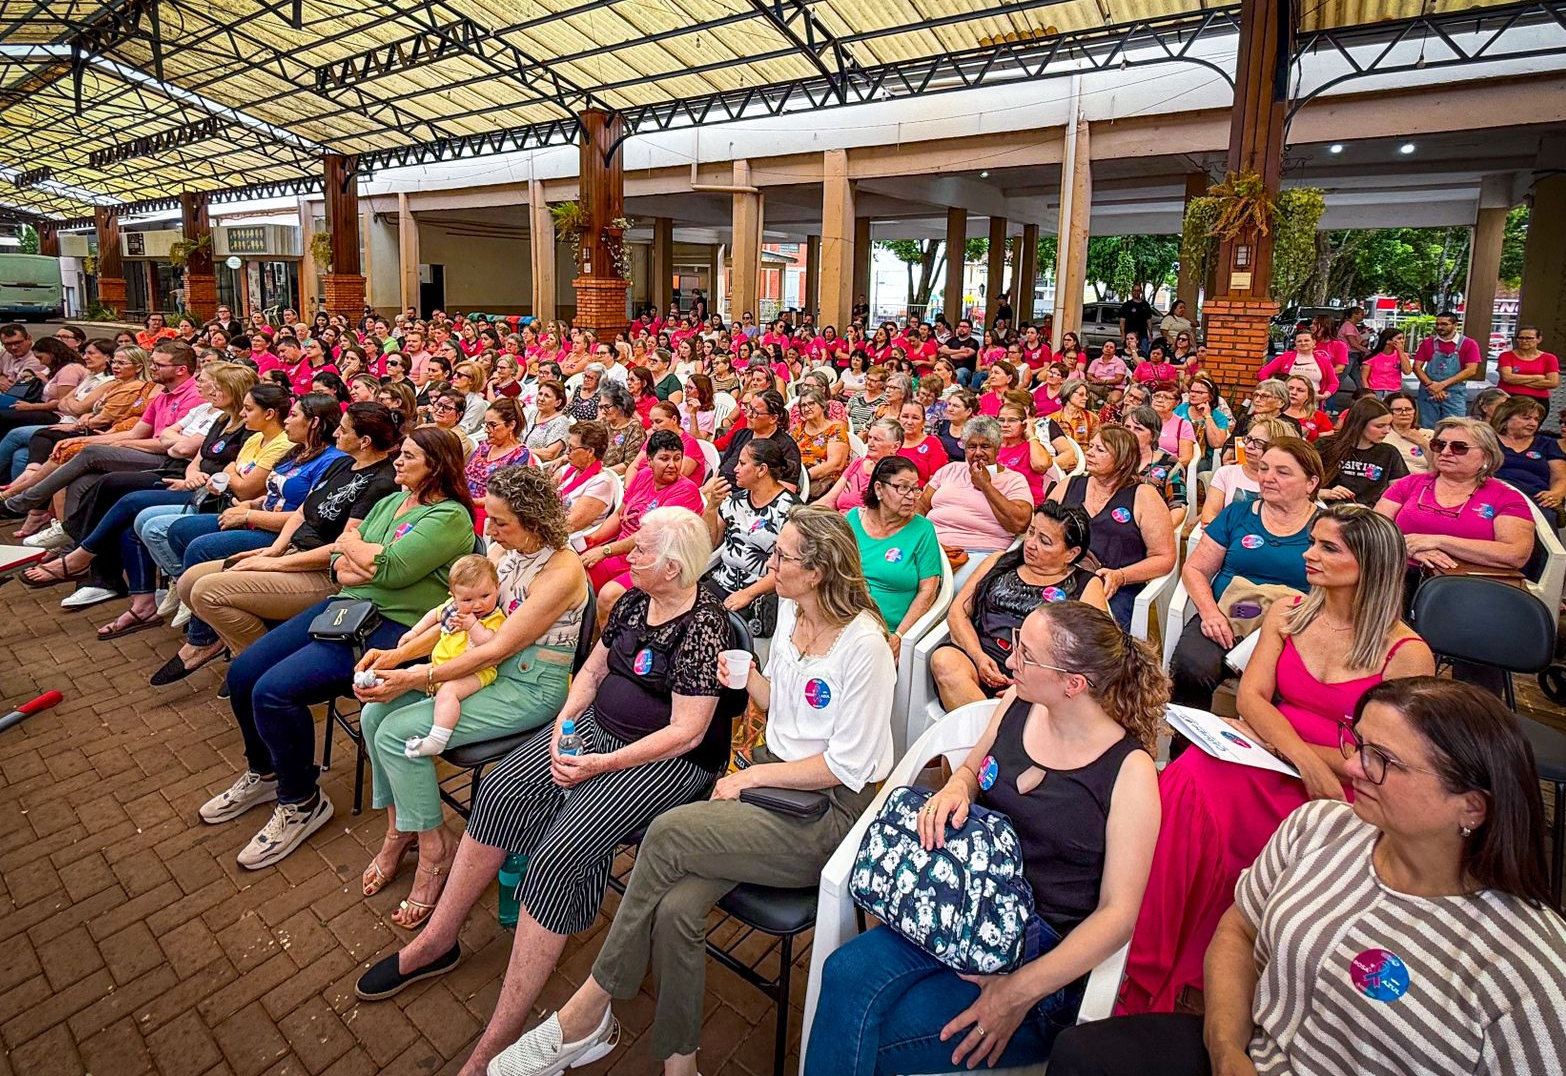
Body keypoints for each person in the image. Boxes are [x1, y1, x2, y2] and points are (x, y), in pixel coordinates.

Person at [492, 508, 896, 1076]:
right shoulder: (789, 611)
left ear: (821, 570)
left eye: (783, 557)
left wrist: (747, 777)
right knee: (678, 909)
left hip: (825, 812)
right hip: (773, 780)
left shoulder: (865, 646)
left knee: (666, 834)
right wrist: (749, 677)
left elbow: (845, 767)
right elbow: (785, 706)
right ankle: (680, 1064)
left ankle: (588, 1010)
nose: (770, 563)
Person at [352, 508, 733, 1076]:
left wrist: (599, 761)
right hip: (594, 733)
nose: (627, 554)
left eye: (642, 551)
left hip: (666, 760)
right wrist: (564, 725)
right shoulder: (632, 601)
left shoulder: (705, 625)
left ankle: (499, 1037)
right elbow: (592, 673)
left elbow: (688, 732)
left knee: (557, 854)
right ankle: (439, 939)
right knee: (504, 785)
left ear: (674, 568)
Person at [1057, 678, 1566, 1076]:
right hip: (1251, 1056)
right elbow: (1237, 931)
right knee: (1081, 1055)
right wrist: (1227, 1047)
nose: (1353, 768)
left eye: (1382, 761)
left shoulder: (1529, 966)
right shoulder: (1319, 827)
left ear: (1472, 807)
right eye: (1358, 743)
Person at [807, 601, 1164, 1076]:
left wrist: (1016, 995)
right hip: (961, 901)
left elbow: (1119, 915)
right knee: (844, 975)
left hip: (1036, 956)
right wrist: (957, 786)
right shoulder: (1020, 704)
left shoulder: (1129, 772)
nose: (1010, 659)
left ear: (1072, 684)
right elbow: (974, 767)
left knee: (869, 1035)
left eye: (1026, 654)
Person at [1121, 504, 1433, 1013]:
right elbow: (1252, 699)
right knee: (1189, 777)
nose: (1308, 555)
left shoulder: (1406, 653)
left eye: (1328, 547)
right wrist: (1296, 756)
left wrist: (1300, 756)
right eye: (1313, 542)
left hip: (1347, 779)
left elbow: (1385, 758)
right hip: (1278, 755)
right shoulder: (1288, 611)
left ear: (1370, 565)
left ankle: (1239, 963)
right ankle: (1153, 949)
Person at [199, 427, 476, 870]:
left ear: (436, 466)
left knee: (274, 691)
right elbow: (339, 563)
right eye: (399, 454)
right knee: (244, 673)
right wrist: (357, 558)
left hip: (396, 626)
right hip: (346, 606)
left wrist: (359, 555)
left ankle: (302, 801)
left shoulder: (448, 517)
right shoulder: (389, 501)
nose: (397, 462)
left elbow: (391, 569)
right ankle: (266, 771)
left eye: (408, 456)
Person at [350, 465, 587, 926]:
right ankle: (403, 829)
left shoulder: (562, 568)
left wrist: (418, 675)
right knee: (374, 719)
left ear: (534, 521)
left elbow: (498, 647)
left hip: (529, 683)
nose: (488, 530)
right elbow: (453, 615)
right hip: (485, 669)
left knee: (398, 731)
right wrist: (397, 658)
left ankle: (435, 849)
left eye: (499, 521)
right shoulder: (504, 550)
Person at [178, 403, 401, 657]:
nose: (336, 433)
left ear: (364, 441)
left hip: (321, 572)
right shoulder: (343, 463)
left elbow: (343, 548)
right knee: (189, 581)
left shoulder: (381, 483)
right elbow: (302, 512)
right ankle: (253, 651)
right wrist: (273, 551)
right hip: (293, 552)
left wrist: (276, 564)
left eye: (343, 429)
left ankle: (256, 662)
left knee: (207, 592)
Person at [1169, 439, 1323, 708]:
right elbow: (1195, 568)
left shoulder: (1326, 527)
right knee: (1192, 667)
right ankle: (1187, 745)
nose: (1268, 478)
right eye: (1264, 469)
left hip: (1293, 627)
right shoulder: (1237, 514)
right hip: (1230, 615)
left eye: (1282, 472)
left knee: (1290, 685)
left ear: (1311, 483)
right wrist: (1210, 613)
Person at [930, 501, 1106, 708]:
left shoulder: (1085, 584)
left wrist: (1029, 683)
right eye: (1031, 532)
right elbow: (958, 612)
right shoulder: (999, 562)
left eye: (1045, 541)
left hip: (1042, 673)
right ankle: (996, 734)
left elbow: (1096, 651)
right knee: (944, 661)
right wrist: (979, 658)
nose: (1031, 543)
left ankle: (997, 733)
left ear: (1071, 553)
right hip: (983, 658)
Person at [1375, 416, 1534, 582]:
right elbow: (1374, 529)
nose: (1445, 452)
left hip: (1468, 584)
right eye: (1439, 445)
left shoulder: (1506, 497)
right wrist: (1409, 549)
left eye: (1459, 448)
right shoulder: (1409, 484)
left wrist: (1438, 542)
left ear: (1486, 456)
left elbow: (1516, 554)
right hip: (1398, 574)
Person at [1050, 426, 1177, 630]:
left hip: (1113, 586)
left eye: (1100, 450)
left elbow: (1164, 558)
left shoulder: (1144, 496)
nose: (1089, 453)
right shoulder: (1070, 485)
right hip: (1060, 576)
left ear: (1123, 460)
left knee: (1090, 638)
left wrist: (1121, 576)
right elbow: (1039, 530)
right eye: (1091, 446)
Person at [391, 552, 509, 760]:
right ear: (453, 597)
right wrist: (414, 632)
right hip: (440, 668)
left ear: (497, 588)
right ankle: (387, 697)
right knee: (411, 672)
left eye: (485, 596)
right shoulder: (453, 609)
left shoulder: (494, 617)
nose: (477, 605)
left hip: (477, 673)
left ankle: (438, 738)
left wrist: (472, 625)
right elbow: (433, 616)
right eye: (467, 599)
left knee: (449, 692)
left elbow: (489, 644)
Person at [583, 429, 704, 592]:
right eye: (664, 458)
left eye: (677, 458)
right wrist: (593, 538)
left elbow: (651, 536)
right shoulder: (643, 476)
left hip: (655, 562)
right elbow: (620, 514)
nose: (672, 465)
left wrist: (606, 550)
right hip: (622, 552)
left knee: (609, 594)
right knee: (580, 575)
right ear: (649, 460)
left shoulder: (685, 490)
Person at [918, 416, 1033, 588]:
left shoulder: (1013, 480)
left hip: (980, 552)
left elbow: (1020, 524)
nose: (978, 452)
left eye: (985, 446)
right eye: (972, 446)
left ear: (997, 449)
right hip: (934, 546)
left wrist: (986, 485)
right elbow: (921, 507)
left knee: (952, 586)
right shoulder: (950, 470)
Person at [845, 456, 942, 658]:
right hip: (844, 619)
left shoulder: (922, 530)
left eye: (915, 488)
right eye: (903, 488)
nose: (912, 496)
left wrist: (899, 636)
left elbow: (928, 591)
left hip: (886, 630)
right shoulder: (852, 520)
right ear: (879, 489)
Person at [698, 436, 797, 618]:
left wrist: (748, 594)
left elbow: (788, 568)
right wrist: (711, 508)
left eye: (742, 464)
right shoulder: (736, 500)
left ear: (762, 470)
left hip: (759, 592)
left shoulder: (790, 511)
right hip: (722, 580)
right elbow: (710, 544)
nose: (735, 469)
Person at [1317, 396, 1409, 507]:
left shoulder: (1389, 452)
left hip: (1369, 514)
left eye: (1389, 425)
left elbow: (1400, 494)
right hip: (1327, 510)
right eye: (1380, 426)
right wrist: (1325, 493)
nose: (1387, 431)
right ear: (1360, 424)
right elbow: (1298, 484)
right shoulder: (1325, 446)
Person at [1492, 395, 1566, 512]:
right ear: (1506, 418)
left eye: (1536, 419)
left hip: (1535, 498)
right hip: (1494, 494)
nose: (1533, 423)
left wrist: (1556, 493)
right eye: (1526, 418)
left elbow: (1560, 478)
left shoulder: (1547, 444)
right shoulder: (1488, 440)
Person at [466, 398, 530, 533]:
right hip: (464, 501)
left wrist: (470, 501)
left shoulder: (519, 455)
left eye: (492, 425)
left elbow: (505, 494)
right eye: (486, 425)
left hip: (488, 511)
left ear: (511, 425)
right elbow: (465, 474)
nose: (487, 430)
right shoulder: (485, 446)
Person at [717, 389, 801, 489]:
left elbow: (787, 490)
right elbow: (720, 471)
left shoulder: (786, 447)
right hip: (721, 492)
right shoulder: (741, 435)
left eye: (755, 412)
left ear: (773, 418)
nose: (748, 415)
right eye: (749, 409)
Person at [1413, 310, 1483, 426]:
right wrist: (1431, 385)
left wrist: (1442, 385)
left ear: (1455, 325)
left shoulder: (1469, 344)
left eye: (1444, 324)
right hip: (1429, 391)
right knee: (1428, 427)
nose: (1439, 327)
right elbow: (1416, 367)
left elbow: (1471, 370)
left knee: (1455, 426)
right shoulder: (1427, 343)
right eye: (1437, 324)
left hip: (1454, 393)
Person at [1123, 406, 1187, 526]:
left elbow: (1178, 505)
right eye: (1127, 427)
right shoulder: (1112, 458)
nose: (1130, 432)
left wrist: (1161, 532)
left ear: (1153, 435)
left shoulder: (1169, 464)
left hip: (1148, 525)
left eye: (1138, 429)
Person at [555, 420, 619, 537]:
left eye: (571, 448)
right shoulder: (571, 468)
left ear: (590, 451)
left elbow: (569, 525)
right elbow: (544, 491)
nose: (567, 452)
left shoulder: (602, 483)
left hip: (566, 539)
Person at [824, 417, 901, 512]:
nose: (870, 443)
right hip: (838, 520)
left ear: (895, 446)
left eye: (877, 439)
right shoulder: (858, 464)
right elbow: (829, 500)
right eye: (869, 437)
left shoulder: (897, 475)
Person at [791, 387, 849, 501]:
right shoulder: (798, 428)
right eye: (803, 405)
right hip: (797, 476)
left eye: (811, 404)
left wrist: (804, 477)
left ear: (822, 406)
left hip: (823, 481)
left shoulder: (835, 430)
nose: (806, 408)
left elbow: (835, 464)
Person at [996, 399, 1054, 504]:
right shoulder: (993, 447)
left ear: (1024, 424)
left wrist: (1031, 435)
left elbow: (1041, 465)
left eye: (1012, 420)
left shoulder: (1032, 447)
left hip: (1025, 503)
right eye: (1001, 420)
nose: (1005, 424)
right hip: (996, 500)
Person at [1259, 329, 1340, 401]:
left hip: (1312, 401)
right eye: (1299, 341)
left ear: (1314, 342)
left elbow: (1333, 382)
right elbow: (1263, 373)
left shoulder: (1324, 361)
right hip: (1287, 400)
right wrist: (1274, 389)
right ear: (1295, 343)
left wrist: (1324, 396)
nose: (1303, 343)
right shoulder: (1286, 357)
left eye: (1306, 340)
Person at [1497, 325, 1559, 401]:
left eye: (1529, 338)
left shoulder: (1549, 358)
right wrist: (1537, 377)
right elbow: (1507, 378)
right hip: (1509, 397)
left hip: (1538, 399)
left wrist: (1516, 380)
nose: (1524, 341)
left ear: (1539, 339)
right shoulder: (1506, 356)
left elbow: (1553, 383)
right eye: (1521, 338)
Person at [598, 381, 645, 476]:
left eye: (607, 407)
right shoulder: (602, 423)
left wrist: (601, 473)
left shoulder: (635, 429)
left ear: (621, 405)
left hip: (615, 477)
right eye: (601, 407)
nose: (603, 411)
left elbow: (629, 464)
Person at [1383, 389, 1433, 473]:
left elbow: (1439, 466)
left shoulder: (1429, 434)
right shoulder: (1381, 435)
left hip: (1423, 482)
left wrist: (1422, 442)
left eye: (1408, 409)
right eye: (1398, 410)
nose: (1404, 413)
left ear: (1415, 411)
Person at [1149, 382, 1195, 468]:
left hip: (1167, 469)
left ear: (1176, 403)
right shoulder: (1141, 420)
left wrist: (1158, 467)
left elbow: (1185, 458)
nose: (1159, 400)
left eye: (1166, 397)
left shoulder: (1183, 425)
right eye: (1157, 396)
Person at [524, 380, 570, 461]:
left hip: (539, 468)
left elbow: (550, 454)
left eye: (547, 396)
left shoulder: (561, 422)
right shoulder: (533, 413)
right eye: (540, 394)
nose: (541, 399)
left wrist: (522, 451)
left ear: (558, 402)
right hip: (521, 460)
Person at [1363, 325, 1412, 398]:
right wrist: (1368, 394)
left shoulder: (1402, 356)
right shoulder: (1373, 357)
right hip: (1375, 390)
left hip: (1394, 390)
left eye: (1403, 338)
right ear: (1388, 341)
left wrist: (1401, 352)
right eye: (1399, 338)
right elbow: (1364, 378)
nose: (1402, 341)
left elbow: (1407, 371)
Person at [1282, 374, 1333, 441]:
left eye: (1300, 390)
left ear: (1309, 396)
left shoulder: (1319, 416)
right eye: (1290, 388)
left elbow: (1326, 445)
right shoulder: (1274, 412)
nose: (1293, 392)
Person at [935, 388, 977, 461]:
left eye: (955, 406)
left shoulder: (976, 432)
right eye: (949, 404)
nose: (950, 409)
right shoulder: (940, 425)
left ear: (968, 411)